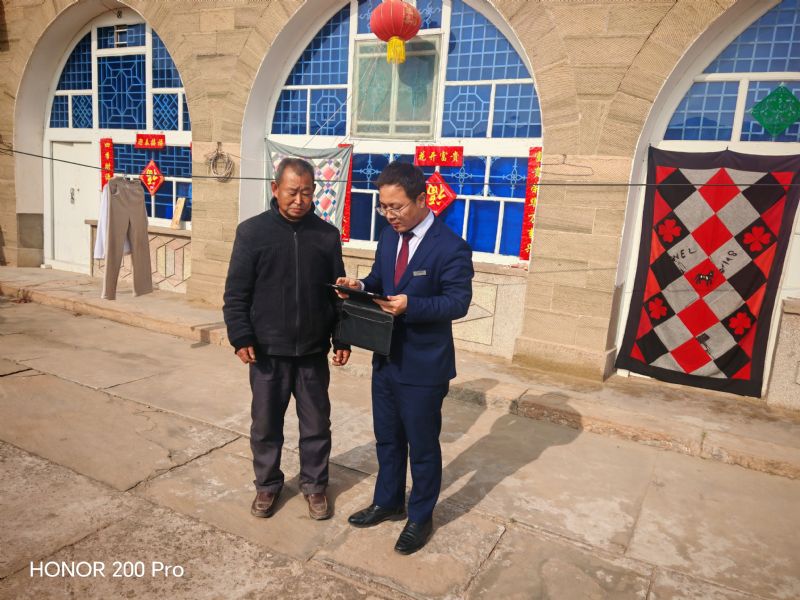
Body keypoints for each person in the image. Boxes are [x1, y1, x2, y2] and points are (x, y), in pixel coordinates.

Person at [336, 161, 473, 554]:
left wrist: (412, 305)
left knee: (422, 446)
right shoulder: (388, 237)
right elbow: (381, 281)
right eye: (383, 207)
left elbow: (458, 302)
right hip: (386, 358)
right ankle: (388, 501)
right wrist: (359, 285)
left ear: (422, 199)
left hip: (424, 366)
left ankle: (420, 516)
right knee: (388, 438)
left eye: (396, 207)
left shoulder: (451, 247)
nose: (389, 215)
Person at [223, 157, 350, 522]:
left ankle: (315, 485)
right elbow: (236, 294)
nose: (299, 200)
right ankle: (267, 484)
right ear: (275, 188)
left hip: (312, 352)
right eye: (292, 191)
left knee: (316, 425)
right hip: (267, 352)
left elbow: (338, 296)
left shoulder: (326, 236)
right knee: (265, 425)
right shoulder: (252, 233)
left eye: (307, 192)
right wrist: (241, 336)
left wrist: (342, 338)